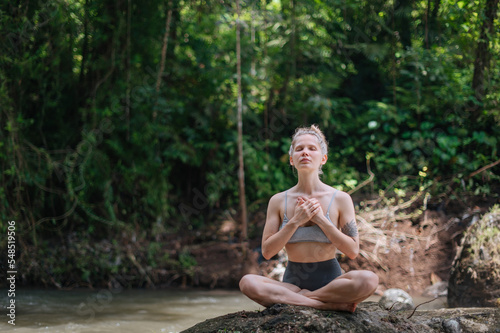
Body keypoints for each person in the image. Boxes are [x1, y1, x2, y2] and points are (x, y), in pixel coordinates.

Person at [239, 125, 379, 312]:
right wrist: (295, 221)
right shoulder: (279, 201)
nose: (305, 153)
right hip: (291, 284)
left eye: (312, 148)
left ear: (323, 158)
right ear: (291, 160)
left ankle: (301, 299)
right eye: (299, 149)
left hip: (332, 283)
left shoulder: (340, 199)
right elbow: (267, 252)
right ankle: (323, 305)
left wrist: (321, 219)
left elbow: (352, 251)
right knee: (248, 282)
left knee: (369, 279)